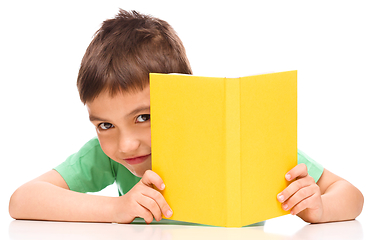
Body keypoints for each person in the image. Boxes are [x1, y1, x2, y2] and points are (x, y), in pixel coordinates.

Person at [9, 9, 363, 225]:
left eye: (144, 117)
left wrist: (320, 208)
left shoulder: (237, 145)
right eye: (105, 125)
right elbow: (22, 200)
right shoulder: (108, 157)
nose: (126, 143)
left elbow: (349, 193)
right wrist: (117, 208)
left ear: (186, 101)